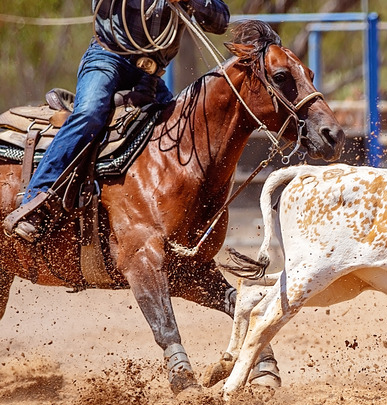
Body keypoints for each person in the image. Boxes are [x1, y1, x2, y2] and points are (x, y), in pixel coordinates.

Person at [4, 0, 230, 242]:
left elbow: (220, 21)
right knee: (90, 113)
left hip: (150, 75)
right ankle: (35, 201)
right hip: (108, 58)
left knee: (179, 131)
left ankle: (178, 222)